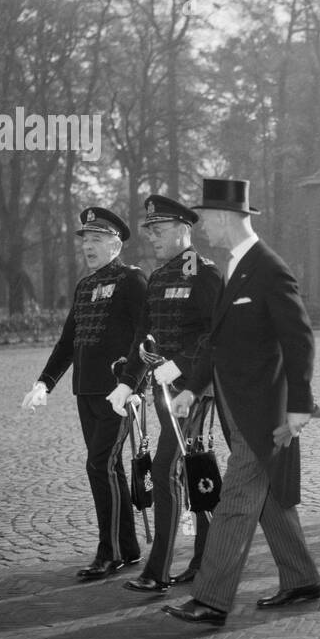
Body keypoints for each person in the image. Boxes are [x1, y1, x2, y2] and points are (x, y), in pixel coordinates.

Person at [163, 178, 319, 627]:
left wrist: (300, 407)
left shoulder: (269, 269)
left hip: (265, 412)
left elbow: (300, 340)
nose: (203, 228)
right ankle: (302, 577)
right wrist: (191, 389)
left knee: (234, 500)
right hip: (237, 406)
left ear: (228, 218)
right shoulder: (233, 266)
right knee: (268, 497)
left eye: (207, 219)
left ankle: (211, 599)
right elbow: (216, 342)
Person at [22, 207, 147, 579]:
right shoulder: (85, 285)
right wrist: (44, 382)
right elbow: (67, 342)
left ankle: (109, 553)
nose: (88, 247)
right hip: (87, 392)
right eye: (85, 241)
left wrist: (136, 384)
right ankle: (128, 547)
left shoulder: (133, 281)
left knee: (99, 465)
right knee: (110, 468)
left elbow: (146, 336)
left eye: (96, 240)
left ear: (116, 243)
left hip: (120, 393)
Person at [107, 195, 223, 593]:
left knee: (164, 468)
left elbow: (215, 335)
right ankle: (206, 557)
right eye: (150, 230)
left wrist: (184, 368)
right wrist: (127, 381)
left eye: (160, 230)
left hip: (193, 391)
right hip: (162, 389)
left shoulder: (205, 274)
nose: (153, 236)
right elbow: (143, 335)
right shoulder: (156, 278)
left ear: (183, 231)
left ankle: (156, 571)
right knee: (194, 470)